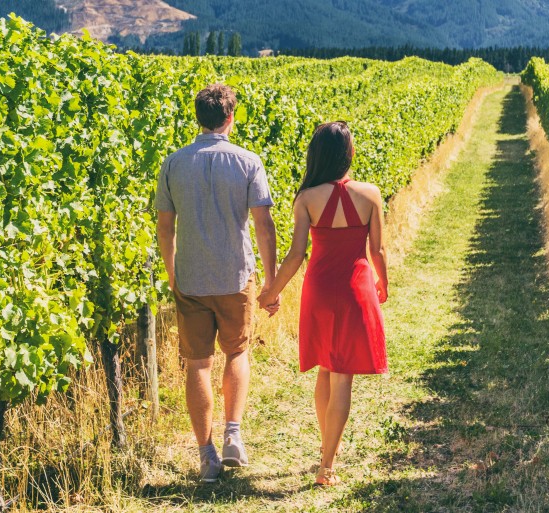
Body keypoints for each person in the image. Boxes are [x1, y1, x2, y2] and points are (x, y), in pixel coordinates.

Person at [155, 83, 278, 483]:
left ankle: (206, 455)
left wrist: (174, 274)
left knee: (197, 364)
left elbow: (165, 227)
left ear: (198, 117)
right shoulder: (247, 161)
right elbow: (264, 224)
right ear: (230, 117)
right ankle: (233, 436)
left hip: (190, 276)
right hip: (235, 275)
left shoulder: (173, 164)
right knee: (237, 353)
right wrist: (271, 281)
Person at [257, 121, 389, 487]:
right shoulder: (371, 194)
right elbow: (376, 250)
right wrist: (383, 283)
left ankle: (326, 447)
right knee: (342, 375)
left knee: (325, 370)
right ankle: (327, 464)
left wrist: (271, 291)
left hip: (319, 291)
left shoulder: (306, 199)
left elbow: (296, 255)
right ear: (349, 154)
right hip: (354, 288)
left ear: (317, 155)